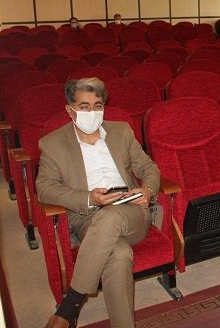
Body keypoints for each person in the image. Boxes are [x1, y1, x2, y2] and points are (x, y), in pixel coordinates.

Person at [37, 78, 160, 328]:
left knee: (112, 215)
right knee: (120, 254)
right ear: (70, 110)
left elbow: (148, 167)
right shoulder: (52, 143)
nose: (92, 112)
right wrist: (89, 198)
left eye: (97, 105)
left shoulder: (121, 131)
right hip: (88, 217)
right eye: (84, 107)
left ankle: (71, 304)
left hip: (131, 212)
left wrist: (147, 190)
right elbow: (44, 188)